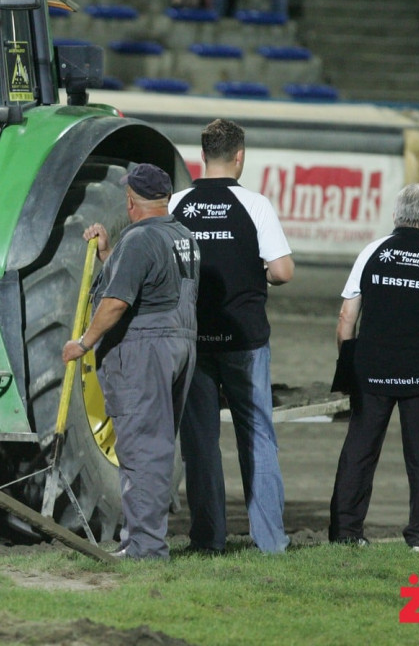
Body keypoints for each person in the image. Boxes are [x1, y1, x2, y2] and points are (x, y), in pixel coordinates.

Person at [62, 164, 199, 560]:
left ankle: (145, 547)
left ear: (130, 200)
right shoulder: (183, 236)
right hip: (180, 345)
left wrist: (84, 342)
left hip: (145, 350)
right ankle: (144, 540)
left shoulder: (139, 239)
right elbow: (151, 285)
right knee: (156, 446)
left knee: (140, 450)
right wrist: (109, 254)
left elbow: (118, 302)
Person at [170, 118, 293, 555]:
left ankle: (208, 539)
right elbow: (282, 271)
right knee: (257, 434)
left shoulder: (178, 205)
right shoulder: (255, 205)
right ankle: (270, 540)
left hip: (193, 340)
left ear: (202, 156)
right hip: (245, 340)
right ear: (239, 157)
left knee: (200, 443)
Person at [329, 184, 419, 551]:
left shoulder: (371, 251)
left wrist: (347, 367)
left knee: (358, 452)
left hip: (371, 371)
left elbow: (347, 317)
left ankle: (345, 533)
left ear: (395, 215)